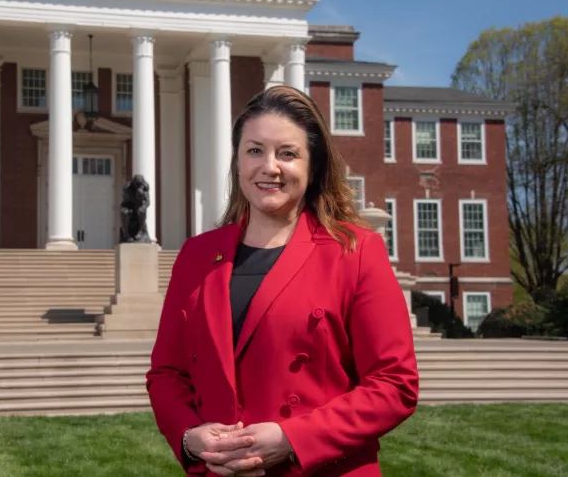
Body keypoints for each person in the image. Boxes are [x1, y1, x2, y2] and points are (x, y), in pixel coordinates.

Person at [146, 85, 419, 477]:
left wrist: (293, 440)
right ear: (238, 161)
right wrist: (190, 437)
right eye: (254, 150)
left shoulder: (355, 251)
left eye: (287, 153)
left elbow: (395, 384)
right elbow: (167, 374)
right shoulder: (195, 256)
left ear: (313, 166)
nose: (269, 167)